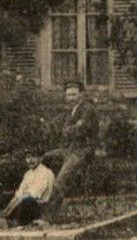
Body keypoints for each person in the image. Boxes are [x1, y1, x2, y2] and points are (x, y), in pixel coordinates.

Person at [43, 80, 103, 215]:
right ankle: (41, 200)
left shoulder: (87, 109)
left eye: (74, 95)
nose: (71, 98)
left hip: (84, 150)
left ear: (80, 95)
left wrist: (65, 130)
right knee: (44, 158)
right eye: (68, 95)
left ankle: (50, 214)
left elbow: (79, 130)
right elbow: (62, 127)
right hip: (70, 149)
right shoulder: (71, 111)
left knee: (62, 178)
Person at [2, 151, 56, 227]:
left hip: (41, 205)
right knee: (7, 197)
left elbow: (34, 194)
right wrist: (9, 207)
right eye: (28, 157)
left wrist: (13, 205)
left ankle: (20, 222)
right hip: (27, 201)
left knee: (28, 200)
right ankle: (10, 219)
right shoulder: (28, 174)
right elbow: (19, 193)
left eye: (33, 157)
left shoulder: (45, 172)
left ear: (40, 158)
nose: (30, 160)